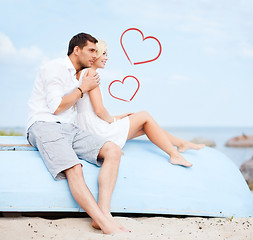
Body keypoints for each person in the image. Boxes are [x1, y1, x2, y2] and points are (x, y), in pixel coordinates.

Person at [27, 33, 127, 234]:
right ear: (76, 50)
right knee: (75, 168)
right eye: (91, 50)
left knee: (113, 151)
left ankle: (103, 215)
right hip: (44, 125)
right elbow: (56, 107)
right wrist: (83, 89)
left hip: (69, 128)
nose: (95, 55)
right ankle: (106, 225)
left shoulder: (80, 73)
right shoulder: (54, 68)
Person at [75, 39, 205, 167]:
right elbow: (98, 110)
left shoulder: (79, 74)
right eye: (103, 54)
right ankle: (174, 155)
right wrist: (113, 120)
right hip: (97, 131)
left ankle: (181, 143)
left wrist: (118, 117)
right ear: (95, 54)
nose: (106, 58)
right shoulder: (91, 73)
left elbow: (89, 109)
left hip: (87, 128)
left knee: (145, 127)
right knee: (144, 116)